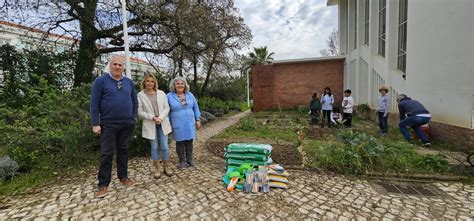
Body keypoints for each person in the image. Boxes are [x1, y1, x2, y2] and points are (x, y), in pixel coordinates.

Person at [90, 55, 137, 198]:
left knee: (123, 151)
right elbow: (94, 103)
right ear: (110, 65)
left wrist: (133, 117)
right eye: (115, 64)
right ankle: (103, 184)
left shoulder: (129, 82)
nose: (117, 67)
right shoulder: (100, 81)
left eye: (120, 65)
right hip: (108, 124)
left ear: (123, 67)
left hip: (126, 124)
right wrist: (95, 123)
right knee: (107, 154)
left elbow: (134, 101)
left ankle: (123, 177)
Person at [137, 74, 173, 179]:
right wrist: (152, 117)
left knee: (165, 146)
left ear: (155, 83)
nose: (150, 83)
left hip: (162, 122)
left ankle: (166, 166)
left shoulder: (161, 93)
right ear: (144, 82)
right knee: (154, 147)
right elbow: (139, 112)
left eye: (152, 81)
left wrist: (160, 118)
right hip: (150, 123)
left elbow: (167, 107)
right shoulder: (140, 95)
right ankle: (157, 168)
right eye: (147, 81)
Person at [167, 77, 201, 169]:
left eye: (182, 84)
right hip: (177, 122)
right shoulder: (169, 96)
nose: (180, 85)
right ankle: (182, 161)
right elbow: (167, 110)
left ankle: (189, 160)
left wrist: (197, 119)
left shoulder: (190, 95)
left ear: (185, 85)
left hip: (189, 122)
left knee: (189, 141)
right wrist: (168, 122)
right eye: (178, 84)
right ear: (174, 85)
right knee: (180, 142)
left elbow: (196, 107)